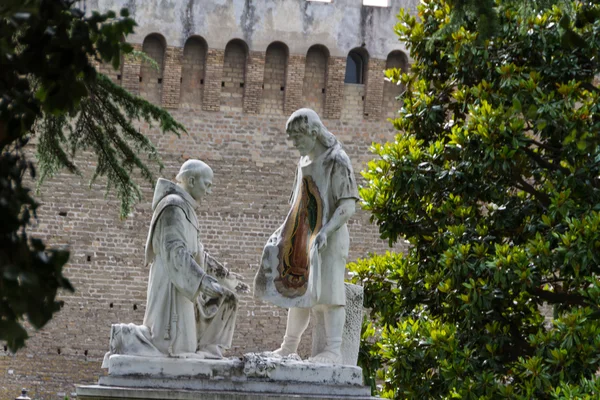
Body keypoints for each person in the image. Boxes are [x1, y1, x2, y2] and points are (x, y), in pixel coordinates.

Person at [102, 160, 246, 366]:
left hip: (184, 284)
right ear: (192, 180)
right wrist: (203, 282)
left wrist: (226, 278)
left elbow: (198, 253)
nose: (210, 191)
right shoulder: (173, 206)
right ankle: (123, 337)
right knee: (171, 348)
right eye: (207, 184)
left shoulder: (186, 208)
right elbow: (175, 252)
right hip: (172, 286)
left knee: (224, 303)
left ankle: (208, 349)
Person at [254, 108, 359, 364]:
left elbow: (347, 205)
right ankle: (288, 347)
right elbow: (296, 203)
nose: (295, 144)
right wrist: (283, 234)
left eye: (298, 138)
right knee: (298, 292)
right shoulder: (302, 162)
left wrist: (326, 232)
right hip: (303, 236)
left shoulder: (337, 159)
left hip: (330, 238)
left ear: (313, 132)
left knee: (330, 294)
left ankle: (333, 351)